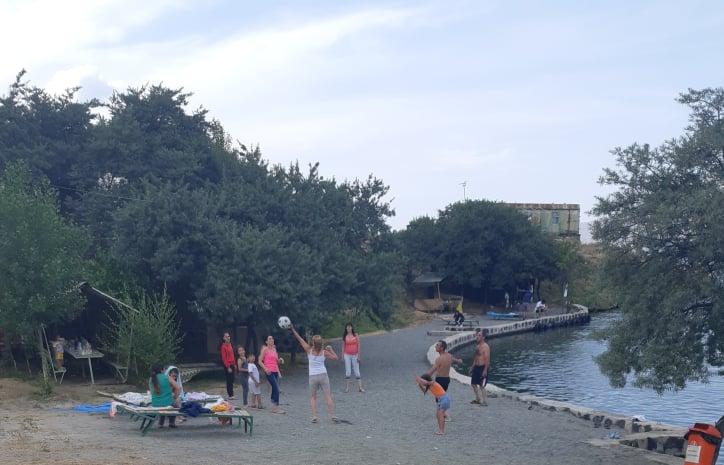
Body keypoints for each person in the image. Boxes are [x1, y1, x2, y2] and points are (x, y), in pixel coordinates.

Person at [289, 325, 340, 423]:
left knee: (313, 397)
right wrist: (331, 349)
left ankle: (314, 416)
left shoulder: (309, 350)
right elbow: (336, 358)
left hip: (313, 376)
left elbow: (300, 339)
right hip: (323, 375)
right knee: (328, 396)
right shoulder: (324, 352)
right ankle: (332, 415)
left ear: (313, 343)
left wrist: (293, 329)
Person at [259, 335, 285, 414]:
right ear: (266, 342)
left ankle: (274, 407)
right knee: (276, 388)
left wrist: (280, 360)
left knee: (274, 388)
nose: (271, 340)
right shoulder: (265, 349)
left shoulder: (274, 349)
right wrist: (265, 369)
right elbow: (259, 361)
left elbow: (276, 361)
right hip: (269, 371)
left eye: (272, 338)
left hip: (275, 371)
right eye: (269, 339)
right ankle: (276, 408)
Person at [149, 363, 180, 428]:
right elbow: (178, 388)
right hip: (167, 404)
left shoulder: (151, 379)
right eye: (164, 369)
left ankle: (161, 423)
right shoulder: (167, 377)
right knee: (174, 404)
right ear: (161, 370)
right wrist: (175, 397)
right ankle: (171, 423)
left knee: (162, 404)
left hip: (155, 404)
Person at [342, 323, 364, 393]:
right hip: (347, 355)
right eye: (347, 327)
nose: (348, 328)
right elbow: (343, 346)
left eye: (350, 327)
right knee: (348, 371)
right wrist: (342, 356)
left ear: (352, 328)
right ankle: (347, 388)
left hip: (355, 354)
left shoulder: (355, 335)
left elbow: (359, 345)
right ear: (346, 328)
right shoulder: (345, 336)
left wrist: (359, 356)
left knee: (357, 371)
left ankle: (360, 387)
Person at [470, 329, 490, 406]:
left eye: (479, 335)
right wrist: (472, 367)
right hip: (476, 367)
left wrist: (485, 370)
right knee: (473, 384)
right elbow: (476, 357)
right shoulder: (477, 346)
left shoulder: (486, 347)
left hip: (482, 367)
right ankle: (478, 399)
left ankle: (484, 401)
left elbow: (487, 359)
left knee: (481, 385)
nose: (477, 337)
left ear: (483, 337)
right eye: (477, 335)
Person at [220, 332, 235, 400]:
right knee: (229, 380)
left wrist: (234, 364)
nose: (228, 338)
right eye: (226, 337)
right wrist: (228, 367)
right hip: (228, 365)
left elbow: (232, 355)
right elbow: (224, 358)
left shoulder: (230, 345)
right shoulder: (223, 346)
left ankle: (232, 393)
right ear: (224, 338)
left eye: (228, 336)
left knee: (232, 380)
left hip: (232, 364)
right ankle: (230, 394)